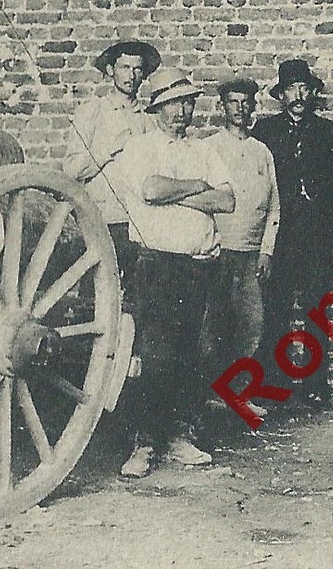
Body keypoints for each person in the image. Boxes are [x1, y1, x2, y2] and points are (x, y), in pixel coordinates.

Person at [103, 67, 235, 478]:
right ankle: (145, 443)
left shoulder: (204, 151)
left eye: (188, 102)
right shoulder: (140, 148)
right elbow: (150, 190)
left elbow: (227, 201)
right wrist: (198, 187)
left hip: (200, 265)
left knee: (195, 352)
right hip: (156, 266)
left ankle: (181, 436)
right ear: (156, 107)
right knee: (153, 356)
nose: (183, 111)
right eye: (174, 103)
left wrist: (182, 190)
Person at [252, 59, 333, 412]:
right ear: (280, 96)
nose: (297, 95)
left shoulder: (326, 133)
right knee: (275, 311)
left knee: (315, 312)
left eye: (303, 89)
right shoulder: (264, 133)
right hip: (279, 236)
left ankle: (314, 387)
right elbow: (256, 187)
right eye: (290, 90)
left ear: (311, 93)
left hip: (316, 237)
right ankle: (273, 386)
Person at [199, 76, 282, 409]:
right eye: (233, 102)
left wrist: (266, 251)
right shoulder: (209, 148)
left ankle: (238, 395)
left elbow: (274, 204)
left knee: (251, 325)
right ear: (222, 107)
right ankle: (206, 396)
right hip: (218, 251)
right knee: (212, 325)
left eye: (246, 102)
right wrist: (210, 244)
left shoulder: (262, 152)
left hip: (251, 254)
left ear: (253, 107)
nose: (240, 108)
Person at [62, 40, 162, 284]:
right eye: (125, 67)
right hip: (101, 220)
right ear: (110, 71)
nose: (131, 75)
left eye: (138, 69)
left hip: (139, 224)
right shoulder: (93, 111)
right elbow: (71, 169)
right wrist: (109, 149)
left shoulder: (149, 122)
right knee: (96, 296)